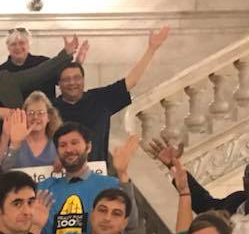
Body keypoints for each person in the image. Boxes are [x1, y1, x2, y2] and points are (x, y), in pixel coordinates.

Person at [51, 26, 170, 161]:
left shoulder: (100, 99)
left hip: (98, 174)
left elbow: (131, 81)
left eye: (76, 78)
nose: (72, 83)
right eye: (66, 79)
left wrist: (152, 49)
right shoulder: (50, 109)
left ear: (83, 80)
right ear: (59, 84)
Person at [0, 94, 62, 170]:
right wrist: (6, 136)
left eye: (40, 113)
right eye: (31, 113)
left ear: (48, 117)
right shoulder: (13, 138)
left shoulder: (58, 141)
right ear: (24, 116)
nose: (35, 117)